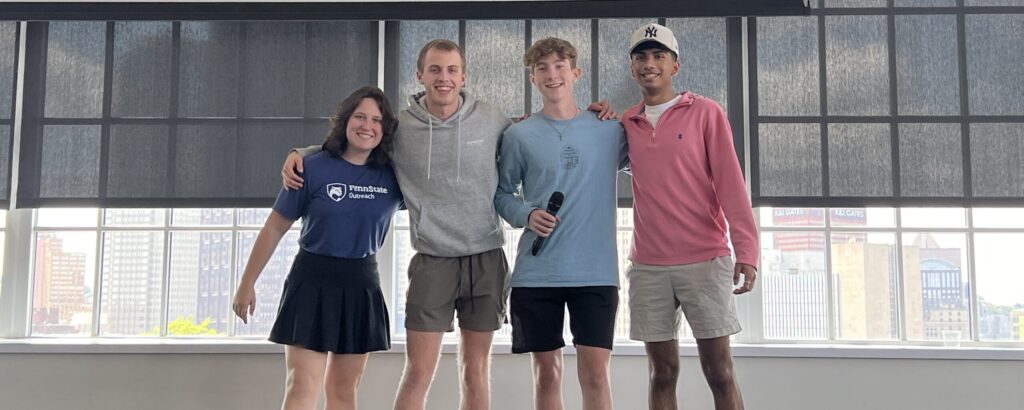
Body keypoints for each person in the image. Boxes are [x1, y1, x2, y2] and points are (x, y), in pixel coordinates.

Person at [281, 39, 613, 410]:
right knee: (419, 372)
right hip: (432, 261)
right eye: (435, 69)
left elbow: (537, 133)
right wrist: (303, 153)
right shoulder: (400, 128)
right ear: (420, 75)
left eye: (452, 70)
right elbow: (354, 145)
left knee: (475, 370)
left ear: (463, 76)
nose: (444, 78)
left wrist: (593, 115)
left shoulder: (492, 120)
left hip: (485, 257)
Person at [232, 86, 403, 410]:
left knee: (343, 392)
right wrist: (246, 282)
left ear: (385, 129)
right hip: (311, 279)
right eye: (360, 117)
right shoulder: (311, 167)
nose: (367, 126)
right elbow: (275, 227)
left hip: (360, 284)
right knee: (301, 386)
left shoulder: (393, 176)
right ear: (345, 121)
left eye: (377, 120)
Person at [621, 23, 759, 410]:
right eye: (641, 57)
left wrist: (747, 250)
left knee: (720, 373)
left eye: (659, 56)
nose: (650, 64)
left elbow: (732, 186)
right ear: (632, 68)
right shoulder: (625, 122)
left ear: (674, 66)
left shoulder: (705, 113)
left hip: (705, 260)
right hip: (648, 266)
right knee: (661, 374)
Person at [494, 37, 628, 410]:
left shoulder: (610, 130)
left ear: (575, 72)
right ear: (532, 79)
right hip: (538, 273)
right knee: (547, 375)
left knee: (596, 376)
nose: (551, 74)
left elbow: (651, 158)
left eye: (559, 65)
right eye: (542, 68)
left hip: (596, 272)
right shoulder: (518, 135)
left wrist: (612, 113)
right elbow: (502, 194)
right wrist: (526, 214)